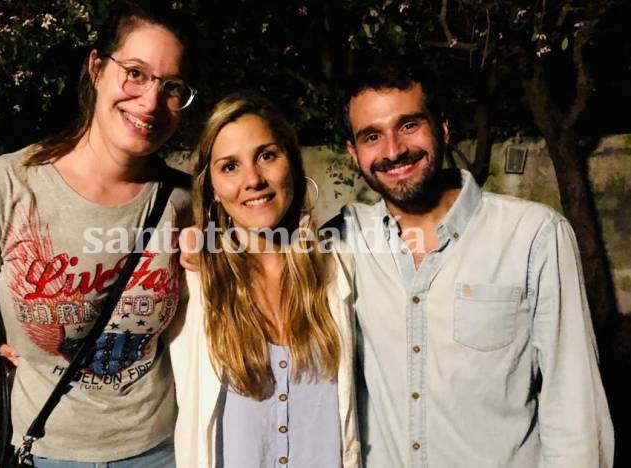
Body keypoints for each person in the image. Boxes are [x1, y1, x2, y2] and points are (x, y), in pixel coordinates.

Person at [0, 2, 198, 466]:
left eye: (172, 87)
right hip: (38, 449)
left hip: (160, 449)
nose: (150, 102)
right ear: (97, 68)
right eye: (136, 74)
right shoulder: (3, 187)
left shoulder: (186, 202)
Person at [335, 55, 614, 467]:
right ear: (353, 152)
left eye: (409, 125)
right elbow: (254, 251)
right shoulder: (342, 240)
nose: (393, 151)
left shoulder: (533, 236)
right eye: (371, 136)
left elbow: (574, 407)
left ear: (443, 127)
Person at [169, 93, 361, 468]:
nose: (253, 180)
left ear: (291, 161)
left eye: (267, 156)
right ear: (212, 190)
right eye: (229, 167)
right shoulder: (190, 279)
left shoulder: (340, 267)